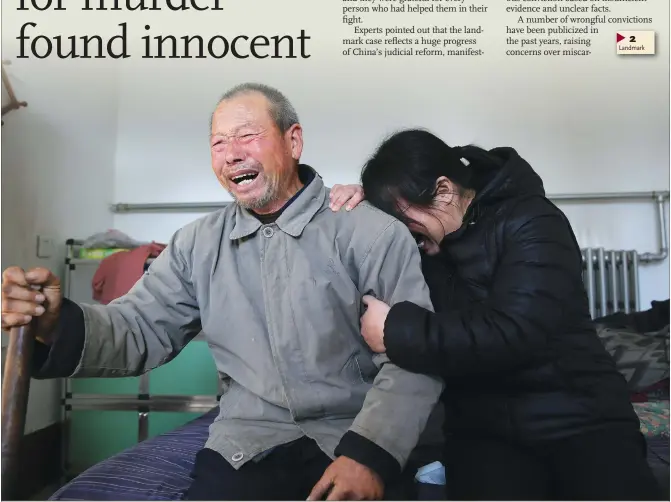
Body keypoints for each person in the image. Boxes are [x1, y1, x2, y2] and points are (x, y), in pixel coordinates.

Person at [1, 86, 445, 501]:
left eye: (247, 136)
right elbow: (137, 328)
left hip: (353, 434)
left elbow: (411, 358)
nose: (232, 155)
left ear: (293, 142)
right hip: (246, 442)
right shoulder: (197, 244)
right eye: (218, 144)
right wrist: (54, 322)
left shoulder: (370, 231)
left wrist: (371, 455)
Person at [329, 128, 664, 501]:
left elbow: (516, 331)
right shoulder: (426, 242)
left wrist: (395, 330)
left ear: (444, 190)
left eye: (403, 215)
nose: (406, 232)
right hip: (481, 430)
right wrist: (362, 211)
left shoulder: (533, 221)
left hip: (579, 418)